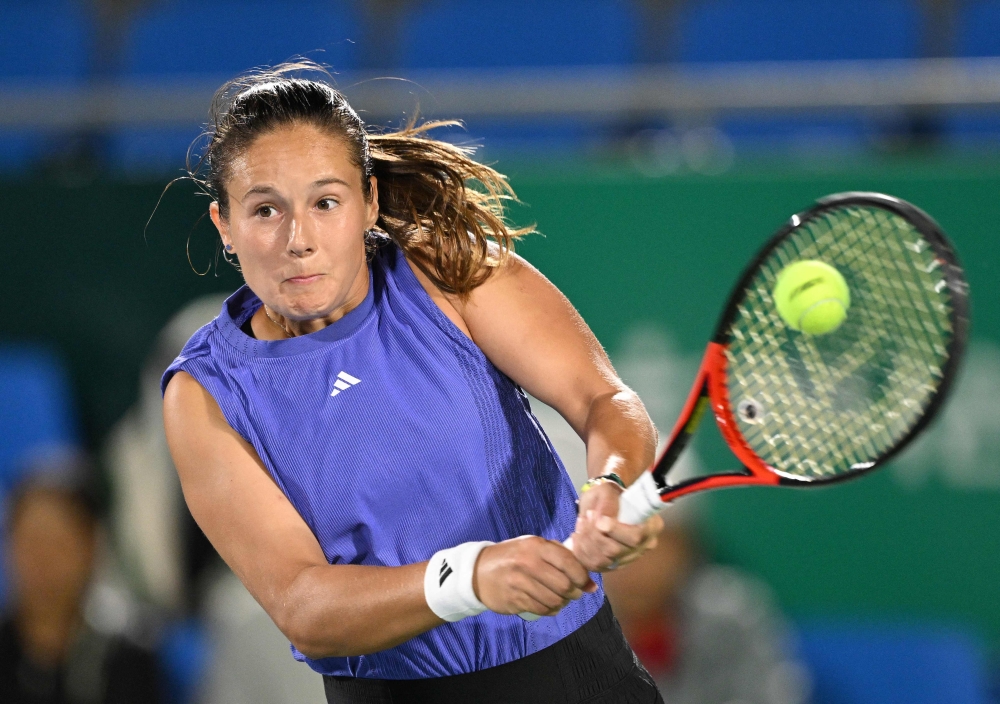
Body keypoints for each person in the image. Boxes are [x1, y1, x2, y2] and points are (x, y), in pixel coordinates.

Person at [161, 62, 664, 704]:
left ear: (367, 202)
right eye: (265, 210)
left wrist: (614, 486)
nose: (299, 240)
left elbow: (602, 399)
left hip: (578, 673)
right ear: (224, 226)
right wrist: (470, 578)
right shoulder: (205, 395)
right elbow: (303, 607)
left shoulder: (442, 267)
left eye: (325, 202)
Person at [0, 456, 162, 704]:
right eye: (30, 541)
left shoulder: (125, 660)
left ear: (92, 548)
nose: (42, 561)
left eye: (58, 545)